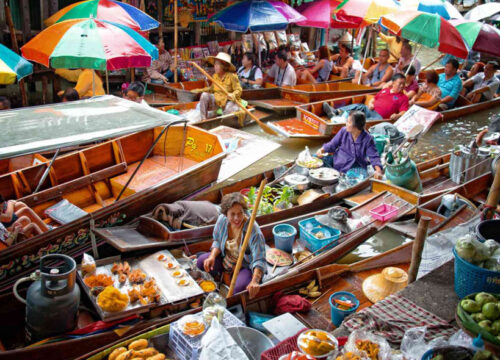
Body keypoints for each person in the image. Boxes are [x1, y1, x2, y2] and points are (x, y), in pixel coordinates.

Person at [197, 193, 265, 297]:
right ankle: (223, 274)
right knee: (202, 261)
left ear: (244, 211)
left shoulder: (253, 229)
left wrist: (255, 281)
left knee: (238, 290)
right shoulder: (222, 220)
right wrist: (212, 256)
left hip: (244, 265)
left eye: (240, 213)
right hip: (226, 259)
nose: (237, 218)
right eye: (232, 214)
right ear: (225, 214)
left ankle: (233, 276)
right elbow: (217, 241)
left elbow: (259, 259)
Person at [315, 111, 383, 178]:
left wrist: (378, 170)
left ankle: (341, 177)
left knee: (355, 177)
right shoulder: (343, 131)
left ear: (356, 125)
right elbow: (332, 145)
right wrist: (321, 150)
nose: (346, 124)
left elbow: (374, 156)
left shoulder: (368, 139)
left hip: (354, 167)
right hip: (338, 161)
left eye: (349, 122)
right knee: (315, 158)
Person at [322, 73, 409, 120]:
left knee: (362, 120)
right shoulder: (385, 90)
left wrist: (396, 116)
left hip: (379, 117)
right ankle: (336, 112)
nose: (402, 86)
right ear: (393, 83)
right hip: (370, 110)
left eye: (403, 84)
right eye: (400, 83)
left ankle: (339, 121)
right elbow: (373, 99)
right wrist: (371, 104)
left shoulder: (403, 98)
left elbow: (404, 112)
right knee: (359, 106)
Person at [192, 52, 242, 120]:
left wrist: (232, 95)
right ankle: (203, 119)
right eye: (215, 64)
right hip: (217, 101)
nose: (215, 67)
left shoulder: (232, 77)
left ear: (223, 66)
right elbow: (212, 89)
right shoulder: (215, 76)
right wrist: (199, 90)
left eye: (217, 64)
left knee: (229, 111)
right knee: (204, 95)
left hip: (228, 101)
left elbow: (239, 90)